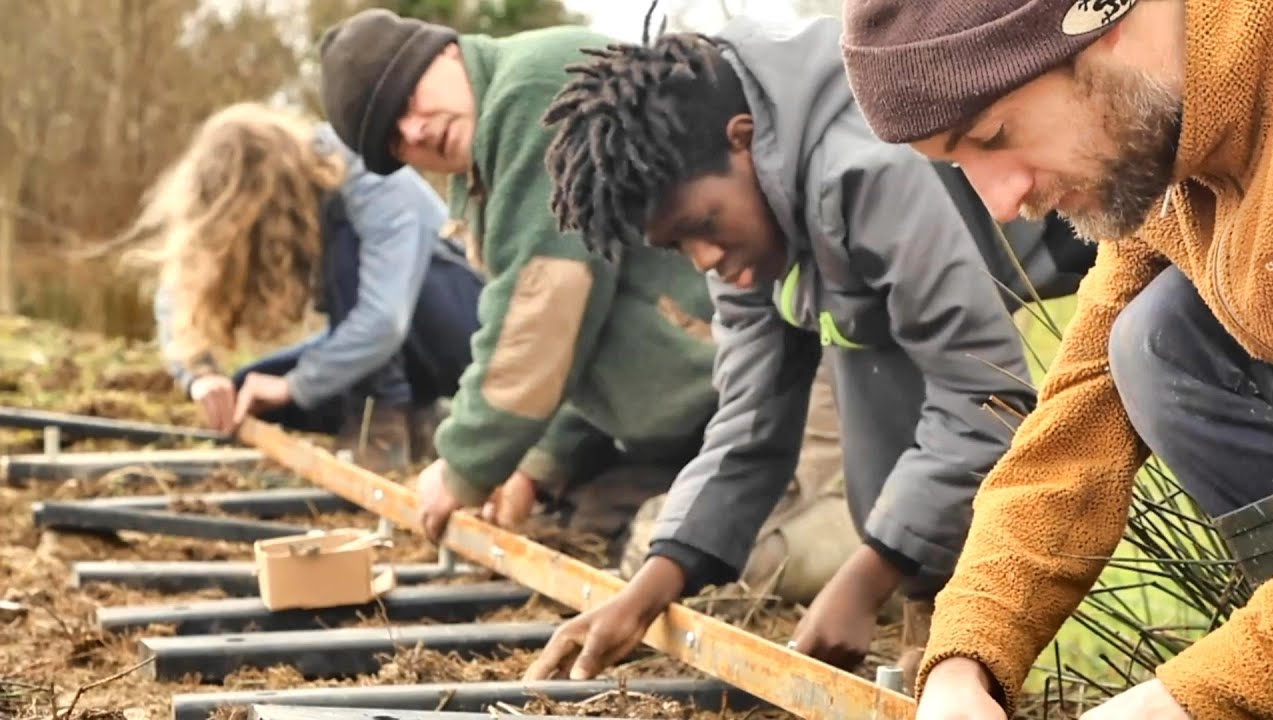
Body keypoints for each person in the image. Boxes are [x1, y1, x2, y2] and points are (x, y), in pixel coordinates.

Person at [523, 14, 1094, 687]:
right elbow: (750, 420)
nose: (708, 261)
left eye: (704, 227)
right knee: (864, 352)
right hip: (912, 289)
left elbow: (986, 392)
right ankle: (933, 628)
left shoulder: (863, 169)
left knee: (877, 367)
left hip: (1095, 228)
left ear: (745, 142)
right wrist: (646, 591)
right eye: (679, 248)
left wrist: (866, 576)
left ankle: (957, 637)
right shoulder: (745, 223)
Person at [841, 0, 1273, 718]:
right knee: (1148, 339)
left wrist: (1185, 700)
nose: (1003, 202)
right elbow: (1073, 428)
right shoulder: (1168, 156)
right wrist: (964, 660)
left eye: (994, 134)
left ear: (1104, 19)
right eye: (962, 165)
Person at [314, 9, 864, 570]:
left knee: (757, 561)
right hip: (691, 411)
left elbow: (542, 316)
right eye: (393, 142)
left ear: (448, 53)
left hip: (766, 383)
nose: (414, 131)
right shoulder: (479, 166)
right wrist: (537, 464)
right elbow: (581, 336)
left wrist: (462, 465)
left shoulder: (528, 90)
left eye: (407, 101)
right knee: (599, 523)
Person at [123, 102, 482, 472]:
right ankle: (423, 423)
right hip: (397, 348)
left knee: (346, 236)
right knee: (248, 390)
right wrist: (200, 374)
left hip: (466, 327)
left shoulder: (367, 170)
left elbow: (384, 319)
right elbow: (181, 285)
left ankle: (380, 423)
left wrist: (297, 385)